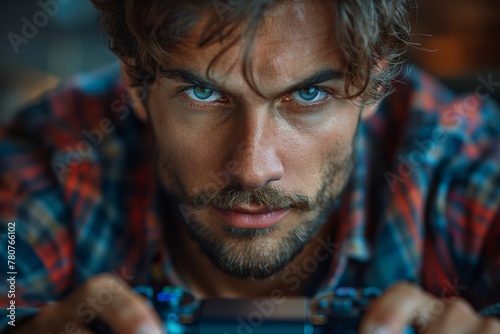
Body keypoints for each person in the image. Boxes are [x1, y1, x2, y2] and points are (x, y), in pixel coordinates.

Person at [1, 0, 500, 333]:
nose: (252, 169)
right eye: (204, 93)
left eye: (309, 94)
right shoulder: (50, 160)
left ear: (374, 82)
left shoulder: (464, 160)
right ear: (136, 84)